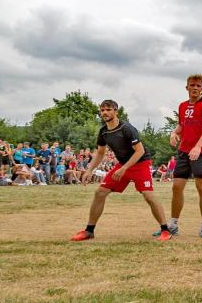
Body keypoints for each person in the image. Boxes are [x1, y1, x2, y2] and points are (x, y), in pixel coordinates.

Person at [70, 99, 172, 241]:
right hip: (123, 165)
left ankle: (165, 230)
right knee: (100, 192)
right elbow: (100, 153)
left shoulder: (127, 128)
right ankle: (89, 231)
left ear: (115, 111)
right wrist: (89, 170)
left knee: (148, 195)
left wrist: (124, 168)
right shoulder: (103, 131)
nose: (105, 112)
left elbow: (140, 151)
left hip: (140, 163)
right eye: (102, 110)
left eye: (108, 109)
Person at [167, 74, 202, 238]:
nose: (195, 88)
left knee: (201, 186)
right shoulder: (182, 106)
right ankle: (173, 225)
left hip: (200, 151)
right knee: (176, 187)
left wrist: (198, 147)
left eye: (198, 86)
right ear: (187, 87)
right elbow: (181, 125)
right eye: (192, 85)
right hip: (184, 151)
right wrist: (174, 133)